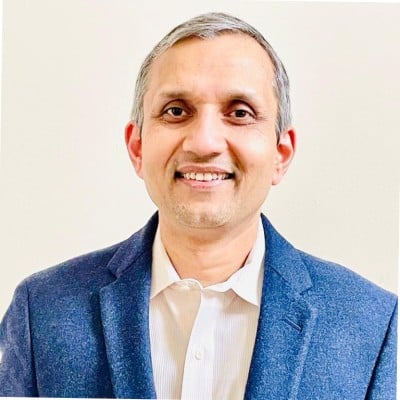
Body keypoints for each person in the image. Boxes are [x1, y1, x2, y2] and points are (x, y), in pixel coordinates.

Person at [0, 12, 396, 400]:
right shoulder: (42, 311)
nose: (204, 142)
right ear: (137, 147)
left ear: (281, 153)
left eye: (239, 113)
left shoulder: (372, 326)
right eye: (176, 111)